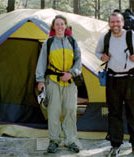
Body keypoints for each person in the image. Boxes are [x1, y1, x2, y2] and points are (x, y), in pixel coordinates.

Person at [95, 12, 134, 157]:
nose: (115, 25)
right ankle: (115, 145)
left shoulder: (132, 36)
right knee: (114, 113)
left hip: (131, 79)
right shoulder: (105, 38)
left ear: (122, 23)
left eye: (118, 22)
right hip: (112, 79)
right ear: (109, 23)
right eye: (112, 22)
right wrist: (102, 56)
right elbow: (97, 52)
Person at [36, 15, 81, 153]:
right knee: (54, 111)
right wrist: (40, 80)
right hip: (53, 81)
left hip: (70, 81)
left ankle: (71, 140)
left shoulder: (73, 42)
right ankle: (54, 140)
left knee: (70, 110)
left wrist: (71, 73)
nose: (60, 27)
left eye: (62, 24)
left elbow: (78, 62)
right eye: (57, 24)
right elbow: (42, 62)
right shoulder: (48, 43)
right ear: (53, 27)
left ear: (66, 26)